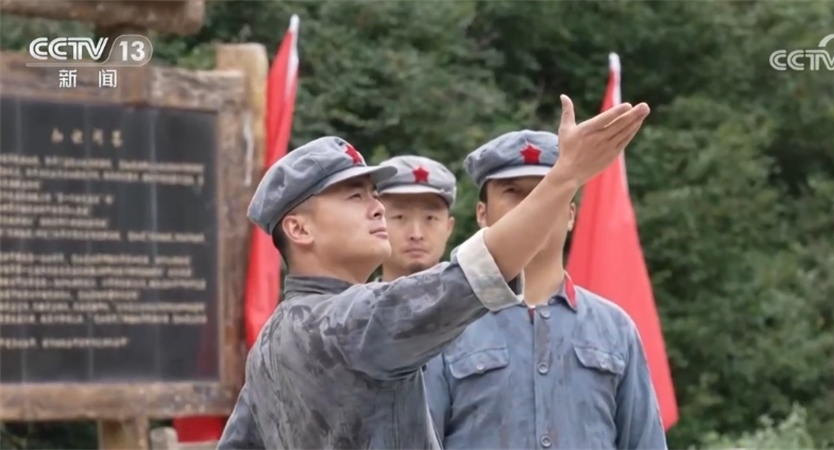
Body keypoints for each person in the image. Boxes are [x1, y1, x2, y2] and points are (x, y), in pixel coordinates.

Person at [217, 95, 651, 449]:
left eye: (373, 193)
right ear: (299, 229)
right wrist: (564, 177)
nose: (377, 207)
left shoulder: (270, 344)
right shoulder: (353, 321)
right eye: (354, 196)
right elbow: (475, 275)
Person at [423, 129, 668, 449]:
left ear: (570, 215)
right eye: (513, 192)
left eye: (546, 191)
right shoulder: (447, 327)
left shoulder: (615, 330)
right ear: (482, 213)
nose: (532, 207)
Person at [375, 155, 457, 282]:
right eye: (399, 217)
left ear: (449, 227)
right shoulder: (350, 295)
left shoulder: (481, 294)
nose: (416, 235)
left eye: (430, 218)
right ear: (375, 222)